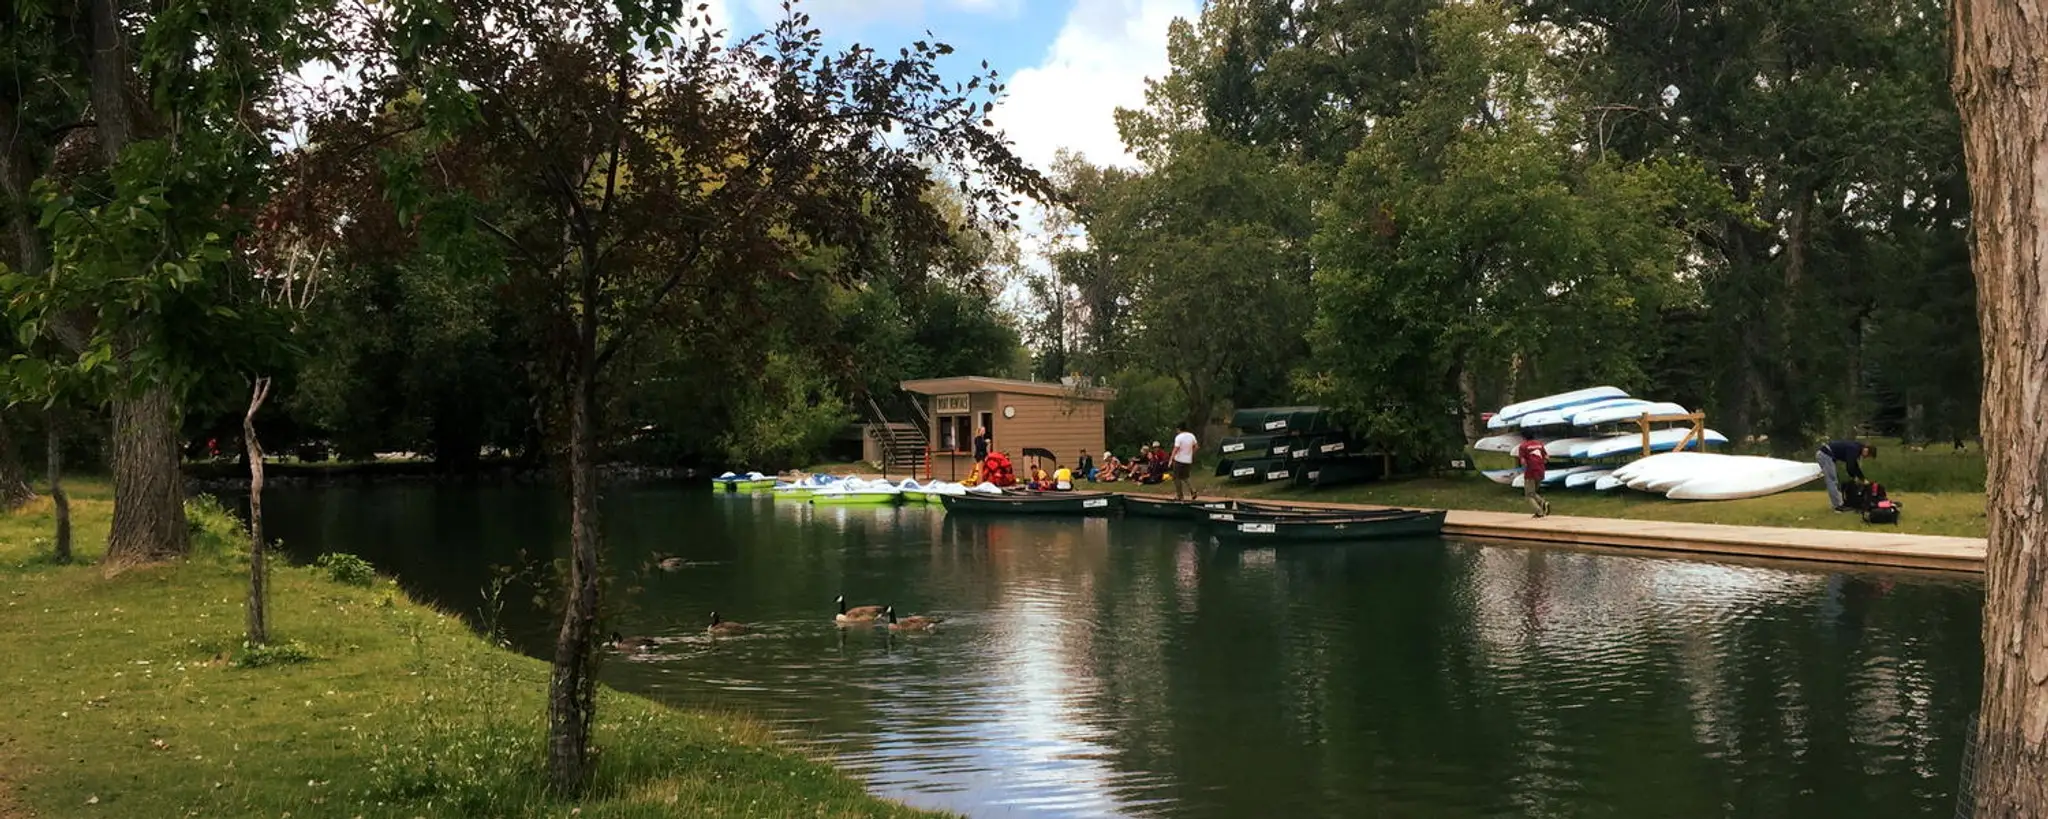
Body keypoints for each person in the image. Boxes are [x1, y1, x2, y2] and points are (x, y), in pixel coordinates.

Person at [1817, 439, 1877, 511]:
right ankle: (1837, 506)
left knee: (1833, 480)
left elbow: (1855, 466)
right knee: (1832, 481)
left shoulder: (1857, 448)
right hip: (1825, 455)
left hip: (1827, 455)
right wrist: (1855, 478)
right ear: (1866, 450)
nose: (1865, 457)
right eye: (1868, 455)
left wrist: (1863, 479)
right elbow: (1850, 467)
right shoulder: (1854, 449)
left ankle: (1837, 504)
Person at [1515, 437, 1551, 518]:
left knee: (1528, 495)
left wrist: (1525, 469)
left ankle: (1539, 512)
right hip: (1541, 470)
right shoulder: (1539, 444)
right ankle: (1543, 503)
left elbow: (1523, 461)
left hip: (1531, 471)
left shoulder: (1523, 446)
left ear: (1524, 437)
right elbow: (1547, 457)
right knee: (1533, 492)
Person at [1170, 423, 1199, 500]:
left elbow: (1175, 449)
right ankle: (1193, 490)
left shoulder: (1179, 437)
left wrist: (1171, 459)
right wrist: (1191, 453)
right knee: (1185, 477)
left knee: (1176, 478)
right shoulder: (1191, 436)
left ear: (1179, 429)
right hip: (1188, 460)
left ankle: (1180, 495)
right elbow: (1196, 447)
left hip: (1179, 460)